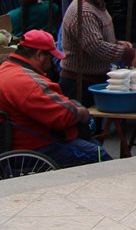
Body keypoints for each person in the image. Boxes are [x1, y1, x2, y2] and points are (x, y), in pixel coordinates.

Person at [0, 30, 111, 167]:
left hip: (20, 139)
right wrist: (81, 113)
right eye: (51, 57)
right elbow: (62, 117)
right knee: (99, 155)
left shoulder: (6, 69)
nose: (52, 62)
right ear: (39, 55)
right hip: (36, 146)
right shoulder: (27, 82)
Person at [60, 0, 136, 107]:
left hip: (93, 80)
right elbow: (95, 46)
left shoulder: (98, 5)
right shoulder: (84, 12)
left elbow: (95, 38)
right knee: (84, 127)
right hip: (79, 84)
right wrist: (128, 54)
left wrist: (115, 43)